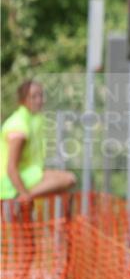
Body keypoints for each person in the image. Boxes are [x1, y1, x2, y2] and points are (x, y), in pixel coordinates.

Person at [1, 80, 76, 214]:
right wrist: (25, 196)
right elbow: (11, 168)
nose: (40, 100)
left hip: (26, 176)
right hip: (8, 183)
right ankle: (22, 200)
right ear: (23, 100)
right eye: (34, 96)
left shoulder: (33, 119)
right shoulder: (18, 126)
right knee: (68, 179)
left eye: (41, 95)